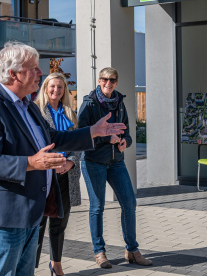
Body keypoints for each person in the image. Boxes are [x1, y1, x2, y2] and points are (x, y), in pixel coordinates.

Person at [0, 42, 126, 276]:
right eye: (33, 68)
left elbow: (51, 137)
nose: (40, 73)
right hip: (3, 217)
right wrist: (32, 163)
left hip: (29, 213)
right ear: (13, 74)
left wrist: (92, 131)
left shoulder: (28, 107)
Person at [78, 67, 152, 268]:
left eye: (111, 80)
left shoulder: (119, 102)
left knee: (129, 203)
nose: (108, 83)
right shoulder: (89, 103)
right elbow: (82, 135)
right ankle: (99, 252)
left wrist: (124, 143)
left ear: (116, 82)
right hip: (93, 161)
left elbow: (127, 131)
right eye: (104, 79)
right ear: (99, 81)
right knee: (97, 207)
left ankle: (132, 250)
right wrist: (105, 138)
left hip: (116, 161)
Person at [34, 73, 82, 275]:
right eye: (52, 86)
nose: (56, 90)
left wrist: (71, 162)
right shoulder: (36, 111)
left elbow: (77, 143)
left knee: (60, 223)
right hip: (44, 175)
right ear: (45, 88)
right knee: (37, 225)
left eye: (60, 87)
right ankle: (30, 266)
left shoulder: (70, 113)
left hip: (66, 175)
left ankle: (56, 264)